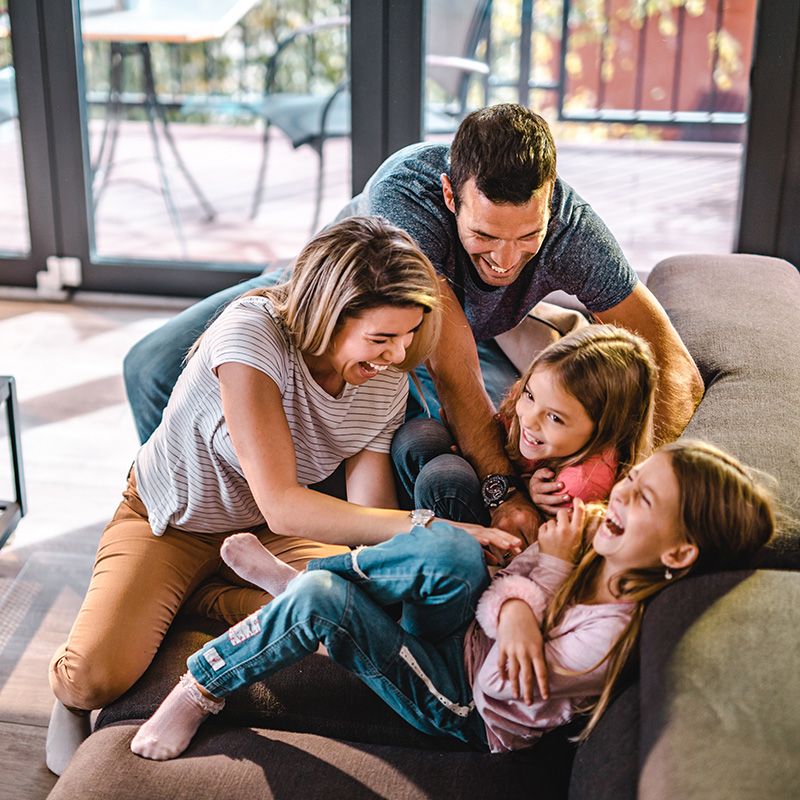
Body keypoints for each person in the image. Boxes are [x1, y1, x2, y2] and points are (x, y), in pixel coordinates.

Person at [46, 216, 520, 776]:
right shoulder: (252, 336)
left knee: (357, 614)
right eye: (382, 337)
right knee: (96, 676)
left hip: (273, 534)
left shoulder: (384, 376)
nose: (398, 354)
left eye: (409, 335)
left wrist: (399, 558)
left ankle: (211, 591)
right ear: (328, 316)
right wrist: (435, 528)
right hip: (173, 520)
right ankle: (88, 674)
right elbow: (283, 501)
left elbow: (364, 515)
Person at [122, 104, 704, 542]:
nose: (504, 260)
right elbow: (453, 372)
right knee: (149, 367)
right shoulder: (408, 198)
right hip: (328, 297)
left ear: (550, 201)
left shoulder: (574, 231)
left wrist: (635, 485)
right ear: (452, 195)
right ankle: (198, 530)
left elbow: (675, 367)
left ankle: (288, 520)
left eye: (528, 237)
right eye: (484, 237)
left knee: (517, 429)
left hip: (445, 338)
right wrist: (502, 495)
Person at [128, 440, 774, 760]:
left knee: (323, 598)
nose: (621, 498)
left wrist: (537, 579)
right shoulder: (590, 556)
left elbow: (500, 680)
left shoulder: (609, 635)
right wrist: (523, 583)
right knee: (452, 551)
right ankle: (306, 591)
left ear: (679, 554)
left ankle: (203, 685)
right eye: (630, 482)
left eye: (644, 502)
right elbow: (498, 602)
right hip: (464, 639)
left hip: (462, 702)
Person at [394, 324, 658, 531]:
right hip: (501, 493)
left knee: (444, 478)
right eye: (530, 396)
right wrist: (470, 445)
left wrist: (530, 496)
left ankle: (436, 566)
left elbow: (540, 546)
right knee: (418, 436)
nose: (530, 420)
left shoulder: (580, 485)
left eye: (555, 418)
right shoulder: (528, 412)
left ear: (605, 430)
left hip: (509, 550)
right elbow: (502, 434)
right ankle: (399, 527)